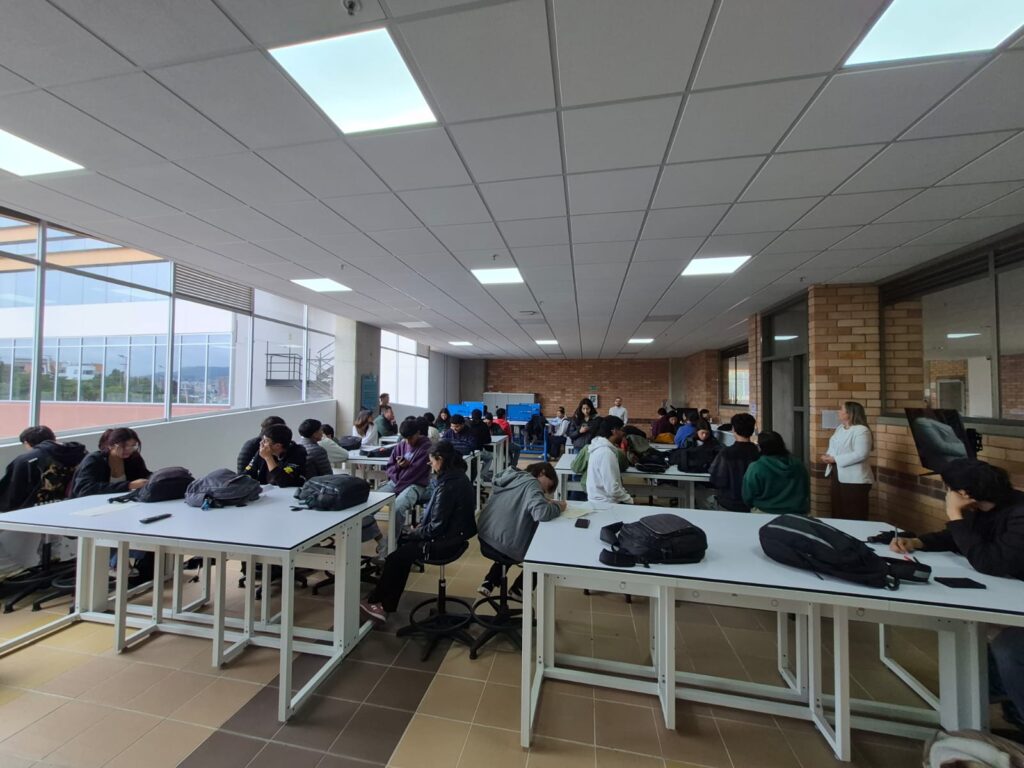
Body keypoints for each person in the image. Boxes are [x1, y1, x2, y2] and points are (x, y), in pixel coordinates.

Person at [360, 441, 477, 623]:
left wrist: (415, 532)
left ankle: (379, 602)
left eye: (432, 461)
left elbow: (436, 527)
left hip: (445, 543)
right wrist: (417, 531)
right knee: (401, 549)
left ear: (440, 460)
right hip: (455, 536)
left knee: (396, 557)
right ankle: (384, 602)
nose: (430, 465)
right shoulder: (458, 477)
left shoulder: (447, 486)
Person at [889, 459, 1024, 579]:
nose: (948, 494)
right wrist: (917, 542)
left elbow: (989, 562)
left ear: (963, 493)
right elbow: (957, 538)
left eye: (949, 489)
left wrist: (954, 513)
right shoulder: (978, 505)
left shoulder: (1019, 515)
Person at [477, 462, 565, 596]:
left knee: (511, 535)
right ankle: (520, 589)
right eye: (545, 488)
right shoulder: (533, 483)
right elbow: (541, 513)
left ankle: (490, 581)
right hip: (504, 545)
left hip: (485, 536)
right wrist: (559, 507)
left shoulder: (512, 477)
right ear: (542, 472)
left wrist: (542, 500)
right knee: (543, 553)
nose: (543, 492)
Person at [368, 419, 433, 557]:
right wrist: (399, 466)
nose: (408, 441)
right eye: (405, 438)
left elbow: (414, 473)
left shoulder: (426, 447)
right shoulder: (401, 445)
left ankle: (389, 548)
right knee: (368, 507)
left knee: (398, 508)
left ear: (418, 433)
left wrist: (399, 473)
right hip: (396, 482)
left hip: (415, 485)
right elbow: (389, 467)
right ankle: (382, 541)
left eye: (411, 438)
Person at [0, 426, 87, 512]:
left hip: (35, 511)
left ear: (26, 443)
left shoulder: (26, 461)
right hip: (77, 505)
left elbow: (11, 494)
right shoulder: (81, 452)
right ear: (54, 438)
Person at [821, 401, 873, 521]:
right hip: (837, 474)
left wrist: (835, 459)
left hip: (855, 480)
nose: (838, 412)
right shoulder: (840, 428)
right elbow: (834, 446)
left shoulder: (862, 430)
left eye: (841, 410)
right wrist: (828, 456)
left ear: (849, 413)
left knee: (854, 514)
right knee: (838, 512)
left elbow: (861, 454)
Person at [741, 431, 810, 515]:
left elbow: (748, 496)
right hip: (797, 513)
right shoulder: (798, 464)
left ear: (760, 447)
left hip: (764, 512)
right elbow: (805, 489)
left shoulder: (756, 467)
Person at [71, 428, 151, 498]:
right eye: (124, 446)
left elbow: (144, 475)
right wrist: (129, 485)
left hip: (120, 502)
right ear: (110, 445)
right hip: (89, 505)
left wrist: (155, 478)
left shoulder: (133, 458)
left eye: (133, 446)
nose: (129, 450)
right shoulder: (94, 459)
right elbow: (84, 489)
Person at [708, 413, 760, 512]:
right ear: (752, 430)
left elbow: (716, 480)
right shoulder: (759, 453)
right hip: (753, 505)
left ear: (733, 430)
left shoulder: (726, 453)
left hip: (729, 504)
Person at [586, 416, 632, 505]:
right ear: (614, 431)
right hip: (606, 504)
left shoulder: (599, 447)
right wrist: (629, 499)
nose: (623, 433)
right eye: (621, 430)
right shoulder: (606, 453)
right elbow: (612, 488)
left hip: (599, 501)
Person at [243, 424, 307, 488]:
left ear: (277, 446)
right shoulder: (263, 451)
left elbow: (283, 481)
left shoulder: (298, 453)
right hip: (266, 490)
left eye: (266, 441)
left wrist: (268, 458)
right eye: (262, 439)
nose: (261, 443)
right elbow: (247, 473)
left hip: (290, 491)